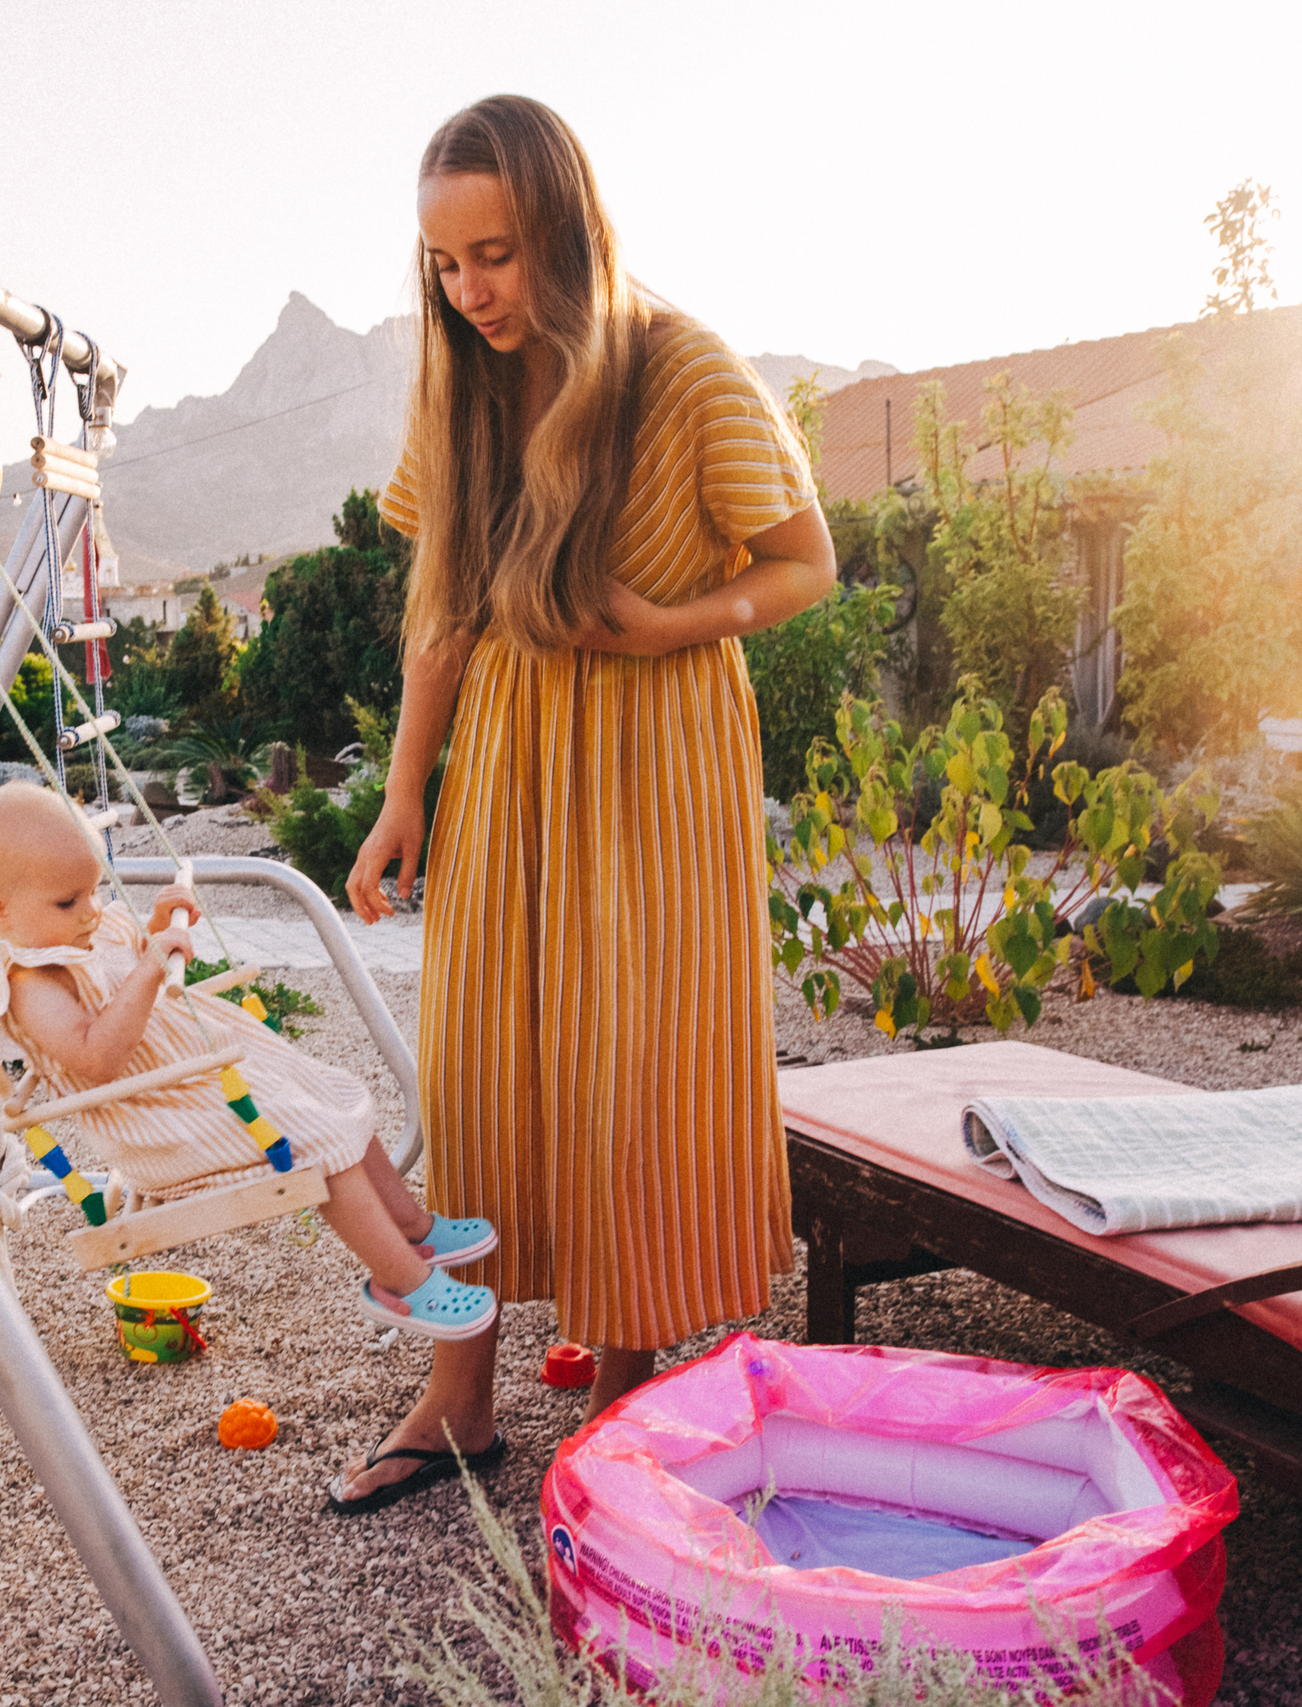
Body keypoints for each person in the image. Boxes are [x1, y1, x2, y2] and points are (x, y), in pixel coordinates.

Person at [332, 95, 839, 1514]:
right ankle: (458, 1393)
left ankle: (623, 1395)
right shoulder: (465, 391)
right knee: (482, 1066)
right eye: (444, 263)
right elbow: (442, 616)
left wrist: (675, 619)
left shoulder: (685, 371)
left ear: (564, 228)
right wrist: (400, 795)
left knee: (635, 1068)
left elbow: (809, 560)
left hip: (658, 748)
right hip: (509, 750)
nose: (469, 290)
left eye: (494, 254)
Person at [0, 783, 502, 1337]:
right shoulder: (31, 985)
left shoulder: (85, 927)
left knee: (326, 1092)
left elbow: (123, 968)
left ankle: (412, 1227)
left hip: (192, 1073)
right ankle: (401, 1284)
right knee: (309, 1133)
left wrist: (156, 930)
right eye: (70, 902)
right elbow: (97, 1059)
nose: (92, 912)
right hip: (158, 1112)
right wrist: (152, 970)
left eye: (94, 890)